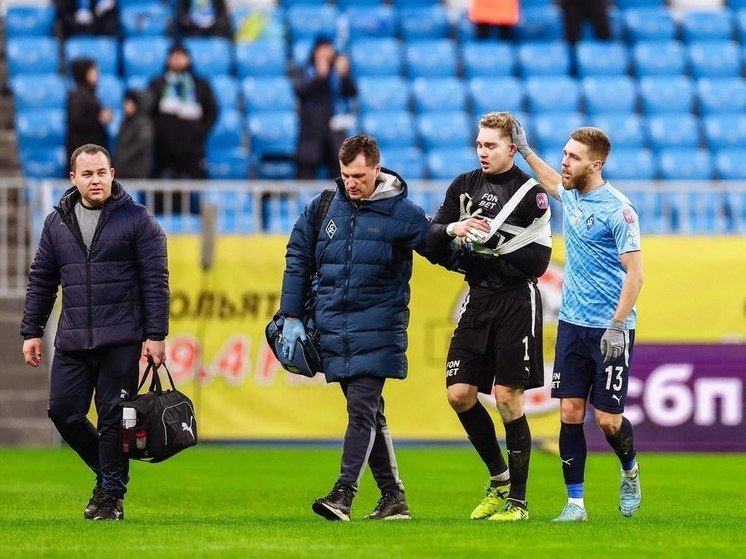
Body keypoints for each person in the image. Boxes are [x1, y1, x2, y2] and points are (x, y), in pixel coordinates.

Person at [279, 135, 458, 522]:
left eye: (359, 176)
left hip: (378, 328)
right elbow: (298, 257)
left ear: (377, 169)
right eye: (345, 175)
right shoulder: (322, 207)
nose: (351, 183)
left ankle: (343, 494)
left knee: (361, 410)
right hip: (332, 329)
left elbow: (442, 251)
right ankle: (394, 498)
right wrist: (290, 315)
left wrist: (467, 244)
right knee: (370, 414)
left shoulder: (403, 213)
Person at [20, 143, 169, 521]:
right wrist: (32, 331)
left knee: (113, 419)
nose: (96, 180)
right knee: (63, 412)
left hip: (121, 337)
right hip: (72, 339)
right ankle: (109, 475)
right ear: (73, 178)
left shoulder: (137, 219)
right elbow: (42, 280)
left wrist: (156, 335)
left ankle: (110, 499)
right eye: (87, 174)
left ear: (112, 174)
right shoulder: (56, 222)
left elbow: (155, 281)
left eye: (101, 172)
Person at [511, 122, 644, 522]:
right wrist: (525, 150)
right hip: (571, 324)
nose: (565, 162)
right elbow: (550, 180)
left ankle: (630, 469)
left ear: (596, 164)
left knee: (607, 421)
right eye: (565, 154)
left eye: (574, 157)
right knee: (570, 411)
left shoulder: (619, 210)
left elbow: (635, 274)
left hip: (610, 329)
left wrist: (618, 325)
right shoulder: (569, 194)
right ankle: (575, 504)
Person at [426, 112, 552, 521]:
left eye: (491, 145)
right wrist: (456, 231)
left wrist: (488, 244)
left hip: (516, 301)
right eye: (479, 144)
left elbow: (538, 261)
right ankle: (499, 478)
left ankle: (518, 502)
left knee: (507, 397)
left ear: (512, 148)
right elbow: (432, 240)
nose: (483, 151)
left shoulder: (531, 193)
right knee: (459, 394)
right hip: (477, 299)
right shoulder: (463, 185)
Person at [147, 43, 218, 181]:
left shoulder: (200, 84)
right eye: (174, 56)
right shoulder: (157, 83)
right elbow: (148, 111)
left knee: (196, 185)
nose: (177, 60)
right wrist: (158, 130)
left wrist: (199, 131)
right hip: (163, 147)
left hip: (193, 147)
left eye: (181, 56)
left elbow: (212, 111)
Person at [292, 36, 357, 180]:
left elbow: (352, 92)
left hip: (335, 133)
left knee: (339, 171)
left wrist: (344, 75)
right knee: (306, 172)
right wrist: (320, 76)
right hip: (311, 134)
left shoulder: (337, 72)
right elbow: (301, 91)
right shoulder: (305, 70)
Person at [66, 58, 112, 164]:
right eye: (92, 71)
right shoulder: (78, 94)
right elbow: (78, 119)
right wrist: (99, 118)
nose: (97, 74)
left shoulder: (89, 92)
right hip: (83, 151)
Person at [113, 89, 154, 179]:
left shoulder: (143, 123)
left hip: (136, 171)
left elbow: (142, 143)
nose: (125, 106)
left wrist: (124, 156)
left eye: (129, 103)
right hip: (123, 170)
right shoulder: (125, 122)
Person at [55, 0, 119, 38]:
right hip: (73, 33)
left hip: (98, 33)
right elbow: (62, 15)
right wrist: (76, 18)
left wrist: (100, 12)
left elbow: (111, 26)